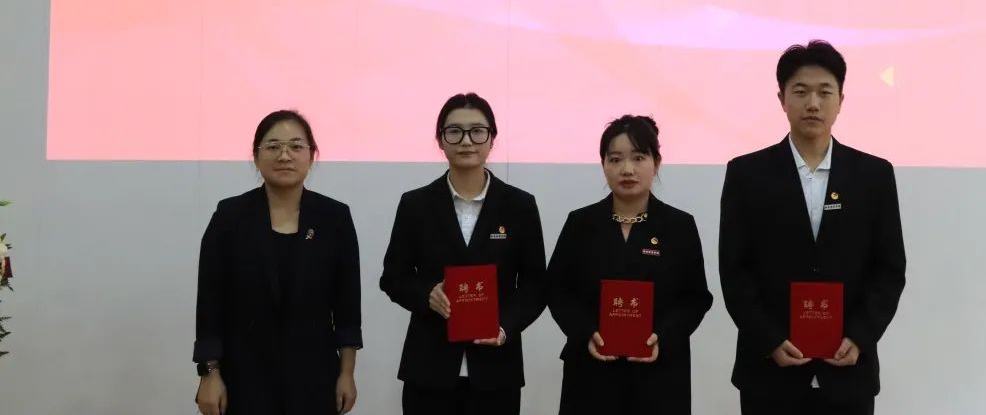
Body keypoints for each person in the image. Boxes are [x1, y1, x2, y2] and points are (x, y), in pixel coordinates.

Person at [719, 40, 907, 415]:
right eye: (801, 92)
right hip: (769, 372)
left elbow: (888, 269)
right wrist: (770, 340)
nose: (813, 104)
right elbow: (735, 270)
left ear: (841, 100)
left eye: (825, 92)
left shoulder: (873, 175)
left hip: (848, 370)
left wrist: (860, 336)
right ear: (782, 98)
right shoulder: (746, 174)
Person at [379, 93, 547, 414]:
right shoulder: (416, 205)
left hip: (497, 369)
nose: (466, 141)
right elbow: (393, 278)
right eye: (454, 131)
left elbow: (535, 285)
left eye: (477, 131)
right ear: (440, 140)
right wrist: (427, 294)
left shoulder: (519, 206)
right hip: (429, 367)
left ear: (492, 139)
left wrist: (504, 326)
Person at [193, 110, 363, 415]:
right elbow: (210, 303)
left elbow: (347, 306)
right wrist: (209, 374)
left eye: (296, 146)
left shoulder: (334, 218)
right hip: (243, 376)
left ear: (311, 155)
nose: (285, 155)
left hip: (315, 376)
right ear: (256, 157)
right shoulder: (230, 217)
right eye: (273, 146)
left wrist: (347, 373)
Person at [547, 115, 713, 415]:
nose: (627, 169)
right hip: (591, 373)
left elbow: (696, 298)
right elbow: (557, 290)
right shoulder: (580, 224)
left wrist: (663, 336)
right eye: (615, 159)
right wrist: (585, 332)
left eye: (638, 158)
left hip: (660, 375)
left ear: (656, 163)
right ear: (603, 164)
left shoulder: (679, 226)